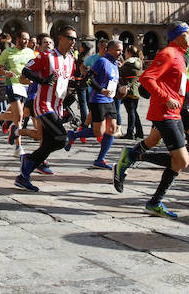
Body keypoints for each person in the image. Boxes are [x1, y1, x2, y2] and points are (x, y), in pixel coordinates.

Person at [112, 22, 189, 218]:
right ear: (178, 36)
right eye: (188, 35)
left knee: (179, 160)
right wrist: (167, 98)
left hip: (174, 113)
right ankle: (133, 159)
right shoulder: (169, 53)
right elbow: (147, 78)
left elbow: (177, 88)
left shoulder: (181, 57)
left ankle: (154, 201)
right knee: (182, 160)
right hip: (165, 113)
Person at [13, 26, 78, 191]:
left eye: (75, 39)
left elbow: (67, 83)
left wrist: (77, 90)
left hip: (57, 106)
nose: (73, 42)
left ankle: (24, 174)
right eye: (70, 38)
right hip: (43, 105)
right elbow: (26, 71)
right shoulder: (46, 56)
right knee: (62, 138)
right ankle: (28, 161)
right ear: (60, 38)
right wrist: (41, 81)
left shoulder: (71, 59)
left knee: (50, 143)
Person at [66, 39, 122, 169]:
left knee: (112, 130)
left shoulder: (115, 65)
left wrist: (122, 88)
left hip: (110, 100)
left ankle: (100, 159)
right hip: (98, 100)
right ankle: (73, 135)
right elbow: (88, 79)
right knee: (99, 132)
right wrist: (101, 90)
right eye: (118, 49)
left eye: (121, 50)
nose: (121, 52)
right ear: (110, 49)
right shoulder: (102, 62)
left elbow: (114, 82)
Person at [0, 30, 35, 157]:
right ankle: (18, 147)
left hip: (26, 86)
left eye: (27, 40)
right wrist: (6, 73)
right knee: (20, 116)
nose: (26, 42)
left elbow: (34, 68)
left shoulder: (30, 52)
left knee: (17, 114)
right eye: (23, 39)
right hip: (13, 84)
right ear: (17, 39)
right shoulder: (8, 52)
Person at [119, 45, 143, 139]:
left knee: (131, 112)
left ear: (129, 53)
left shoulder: (129, 63)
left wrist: (120, 65)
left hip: (129, 90)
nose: (124, 54)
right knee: (133, 112)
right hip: (136, 89)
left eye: (125, 52)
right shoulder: (138, 61)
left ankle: (130, 132)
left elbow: (121, 71)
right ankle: (139, 132)